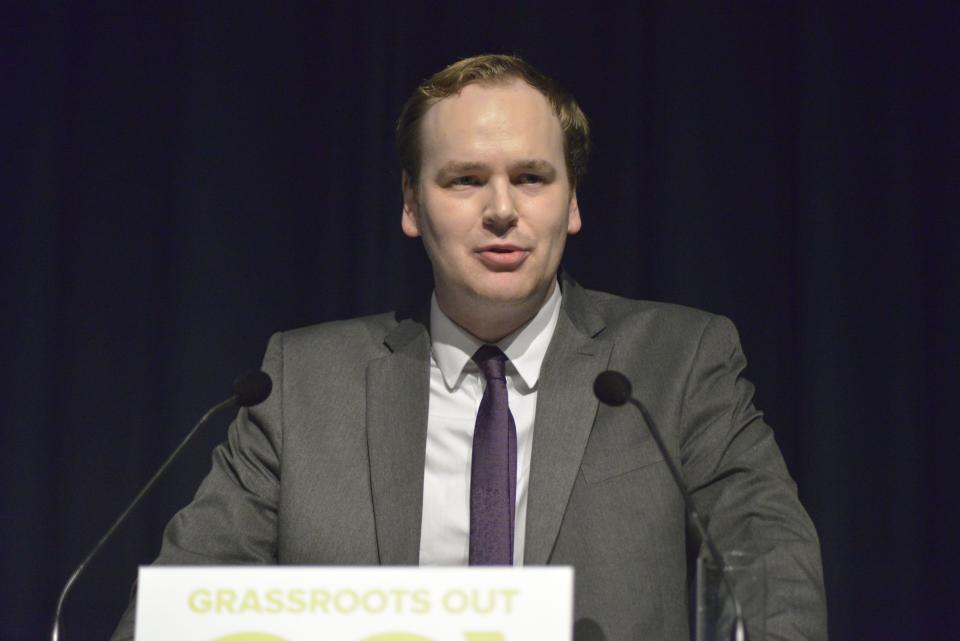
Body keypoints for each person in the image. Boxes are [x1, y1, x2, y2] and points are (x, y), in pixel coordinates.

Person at [111, 54, 827, 640]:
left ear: (571, 201)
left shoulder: (675, 363)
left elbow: (771, 566)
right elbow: (183, 602)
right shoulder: (302, 383)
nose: (502, 210)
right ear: (411, 203)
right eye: (464, 180)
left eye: (531, 178)